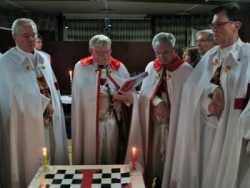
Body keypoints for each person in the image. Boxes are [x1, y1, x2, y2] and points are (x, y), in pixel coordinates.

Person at [170, 3, 250, 188]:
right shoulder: (211, 55)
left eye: (219, 25)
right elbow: (191, 88)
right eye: (212, 25)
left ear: (236, 25)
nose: (214, 29)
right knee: (204, 174)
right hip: (206, 129)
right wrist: (211, 93)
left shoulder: (247, 55)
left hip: (232, 130)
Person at [0, 18, 68, 188]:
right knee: (31, 159)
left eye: (33, 35)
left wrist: (53, 104)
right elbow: (14, 96)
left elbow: (52, 86)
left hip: (50, 120)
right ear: (14, 37)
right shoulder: (6, 62)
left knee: (53, 154)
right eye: (25, 36)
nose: (31, 39)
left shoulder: (43, 58)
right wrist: (44, 104)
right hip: (27, 123)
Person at [118, 32, 192, 187]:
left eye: (166, 52)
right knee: (154, 155)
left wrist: (171, 107)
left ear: (174, 49)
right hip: (154, 124)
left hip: (175, 124)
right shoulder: (151, 67)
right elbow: (145, 93)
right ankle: (155, 179)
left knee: (171, 156)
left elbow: (189, 101)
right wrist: (157, 101)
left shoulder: (185, 70)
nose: (162, 57)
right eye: (158, 53)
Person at [71, 34, 131, 165]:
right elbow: (80, 97)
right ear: (91, 51)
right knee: (90, 157)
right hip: (89, 122)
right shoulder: (81, 67)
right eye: (99, 53)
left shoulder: (119, 67)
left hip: (112, 120)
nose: (104, 56)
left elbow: (130, 95)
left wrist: (121, 98)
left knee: (112, 157)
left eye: (107, 52)